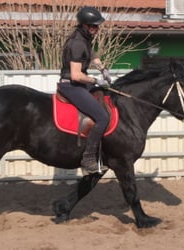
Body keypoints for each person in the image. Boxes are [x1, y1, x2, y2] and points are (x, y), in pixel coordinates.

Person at [58, 6, 112, 175]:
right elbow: (75, 75)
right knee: (103, 117)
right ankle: (88, 159)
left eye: (98, 26)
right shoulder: (77, 43)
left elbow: (92, 54)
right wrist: (96, 80)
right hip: (71, 85)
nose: (97, 29)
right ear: (84, 25)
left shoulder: (85, 39)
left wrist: (103, 68)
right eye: (94, 26)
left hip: (80, 83)